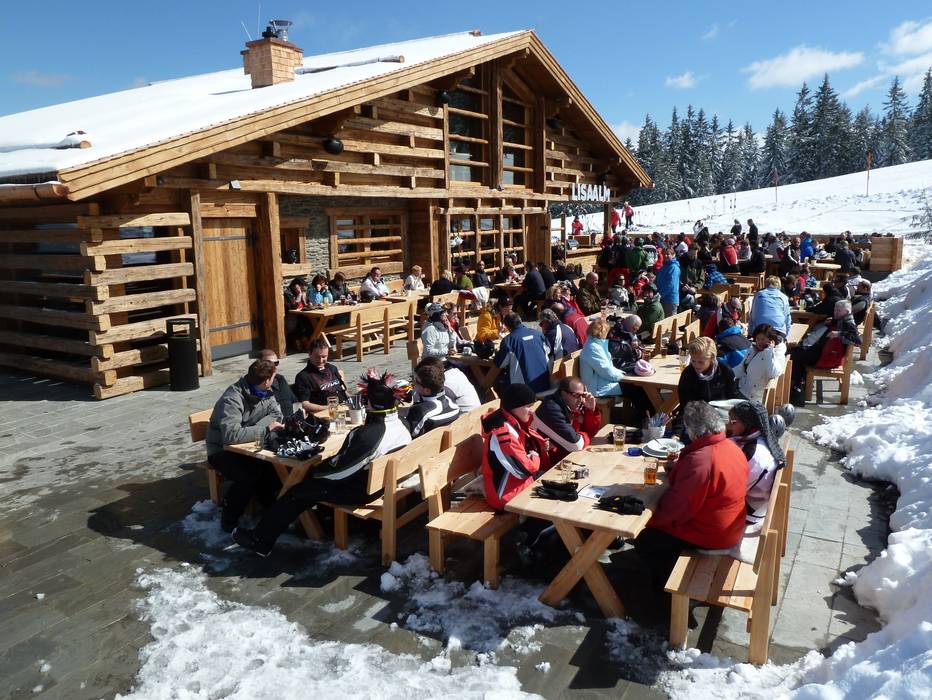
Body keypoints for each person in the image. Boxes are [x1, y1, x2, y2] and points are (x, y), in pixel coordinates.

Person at [233, 371, 411, 556]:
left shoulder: (369, 435)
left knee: (297, 492)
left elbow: (340, 472)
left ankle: (260, 541)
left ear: (370, 403)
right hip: (383, 485)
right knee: (307, 484)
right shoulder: (402, 424)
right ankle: (315, 517)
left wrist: (316, 470)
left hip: (362, 491)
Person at [633, 401, 749, 589]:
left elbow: (677, 508)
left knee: (646, 540)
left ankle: (667, 591)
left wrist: (645, 520)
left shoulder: (701, 460)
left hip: (712, 535)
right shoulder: (731, 447)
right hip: (731, 525)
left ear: (694, 432)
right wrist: (680, 469)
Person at [206, 359, 285, 532]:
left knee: (277, 467)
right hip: (221, 451)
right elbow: (231, 435)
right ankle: (229, 518)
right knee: (249, 475)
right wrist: (264, 429)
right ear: (267, 380)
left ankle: (271, 509)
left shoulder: (265, 390)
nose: (275, 380)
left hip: (251, 445)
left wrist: (252, 430)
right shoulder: (232, 399)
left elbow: (276, 414)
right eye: (274, 377)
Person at [480, 383, 551, 510]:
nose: (532, 411)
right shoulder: (502, 433)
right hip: (505, 494)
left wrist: (537, 449)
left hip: (518, 485)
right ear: (514, 407)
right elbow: (524, 471)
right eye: (528, 406)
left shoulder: (516, 423)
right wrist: (534, 455)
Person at [789, 300, 862, 405]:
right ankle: (800, 383)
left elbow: (858, 340)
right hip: (827, 354)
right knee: (797, 350)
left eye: (838, 310)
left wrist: (838, 334)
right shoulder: (843, 319)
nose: (835, 312)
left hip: (828, 359)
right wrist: (833, 321)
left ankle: (798, 388)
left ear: (847, 312)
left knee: (795, 355)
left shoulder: (848, 323)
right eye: (835, 310)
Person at [727, 400, 786, 529]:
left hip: (749, 510)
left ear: (747, 424)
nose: (729, 425)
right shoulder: (761, 436)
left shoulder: (754, 456)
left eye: (733, 422)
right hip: (752, 497)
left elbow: (732, 492)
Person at [672, 337, 743, 440]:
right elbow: (685, 406)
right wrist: (677, 434)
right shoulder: (688, 374)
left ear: (712, 358)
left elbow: (734, 397)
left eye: (700, 362)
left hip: (723, 421)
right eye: (693, 361)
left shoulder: (725, 371)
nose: (696, 365)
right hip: (698, 424)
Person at [532, 376, 602, 464]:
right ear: (563, 393)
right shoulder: (551, 410)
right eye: (576, 395)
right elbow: (576, 445)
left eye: (583, 395)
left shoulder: (572, 406)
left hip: (567, 458)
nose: (581, 399)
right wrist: (584, 435)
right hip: (548, 465)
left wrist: (590, 411)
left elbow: (591, 432)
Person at [494, 313, 552, 395]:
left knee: (498, 383)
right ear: (520, 321)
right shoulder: (538, 334)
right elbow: (548, 350)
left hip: (525, 391)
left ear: (507, 327)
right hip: (546, 383)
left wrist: (497, 353)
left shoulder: (509, 341)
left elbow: (500, 363)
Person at [405, 360, 461, 438]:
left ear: (427, 390)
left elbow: (407, 435)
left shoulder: (419, 411)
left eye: (416, 382)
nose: (414, 384)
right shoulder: (453, 403)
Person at [733, 324, 786, 403]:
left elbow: (773, 373)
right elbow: (741, 368)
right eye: (758, 339)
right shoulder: (753, 349)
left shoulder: (776, 353)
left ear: (771, 340)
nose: (760, 342)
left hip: (753, 397)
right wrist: (728, 373)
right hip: (742, 389)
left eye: (763, 339)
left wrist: (768, 352)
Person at [293, 338, 348, 413]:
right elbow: (304, 404)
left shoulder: (332, 368)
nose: (321, 360)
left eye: (324, 357)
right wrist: (329, 408)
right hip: (324, 413)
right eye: (317, 357)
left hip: (344, 407)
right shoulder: (303, 377)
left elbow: (343, 390)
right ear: (309, 354)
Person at [580, 317, 627, 401]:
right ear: (602, 332)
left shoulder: (596, 344)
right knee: (636, 389)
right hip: (598, 390)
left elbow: (608, 368)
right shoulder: (593, 348)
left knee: (636, 389)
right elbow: (606, 371)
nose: (609, 334)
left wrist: (622, 373)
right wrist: (623, 376)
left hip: (601, 384)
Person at [415, 356, 480, 414]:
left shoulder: (443, 385)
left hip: (465, 418)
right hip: (477, 413)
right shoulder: (455, 371)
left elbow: (435, 409)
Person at [257, 348, 297, 417]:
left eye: (276, 363)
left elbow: (294, 401)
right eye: (269, 363)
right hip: (273, 422)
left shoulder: (280, 379)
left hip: (291, 420)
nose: (273, 367)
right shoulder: (258, 385)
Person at [656, 248, 680, 316]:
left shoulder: (674, 267)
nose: (665, 256)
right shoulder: (664, 267)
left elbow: (671, 285)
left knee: (670, 321)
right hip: (662, 299)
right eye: (664, 254)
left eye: (668, 254)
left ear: (673, 255)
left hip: (670, 300)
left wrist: (660, 295)